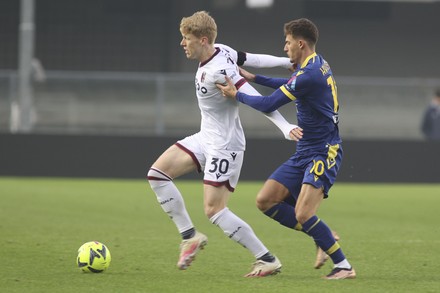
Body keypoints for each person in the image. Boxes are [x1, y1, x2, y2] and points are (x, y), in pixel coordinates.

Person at [147, 10, 299, 277]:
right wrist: (286, 62)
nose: (182, 43)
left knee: (214, 210)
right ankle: (190, 237)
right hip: (206, 137)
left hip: (225, 145)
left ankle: (267, 259)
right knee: (157, 175)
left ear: (203, 40)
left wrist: (285, 127)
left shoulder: (220, 71)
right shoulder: (222, 50)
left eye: (186, 38)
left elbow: (258, 99)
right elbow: (252, 58)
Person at [217, 18, 356, 280]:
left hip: (323, 151)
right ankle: (323, 236)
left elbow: (269, 104)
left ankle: (344, 266)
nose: (285, 47)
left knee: (304, 213)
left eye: (288, 42)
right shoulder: (315, 63)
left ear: (300, 43)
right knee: (266, 201)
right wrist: (253, 77)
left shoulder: (309, 74)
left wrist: (237, 94)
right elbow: (290, 83)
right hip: (305, 149)